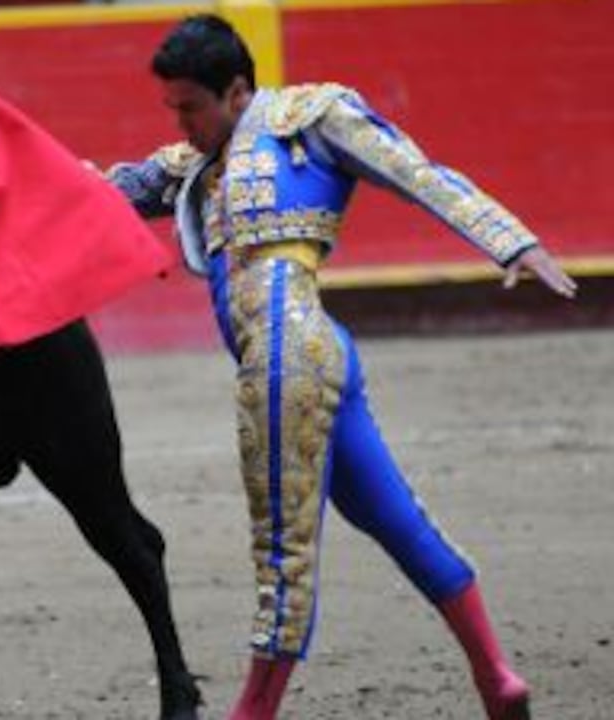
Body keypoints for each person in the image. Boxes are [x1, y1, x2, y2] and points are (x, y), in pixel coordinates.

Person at [101, 13, 576, 720]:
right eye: (172, 110)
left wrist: (511, 243)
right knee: (393, 519)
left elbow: (415, 171)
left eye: (190, 108)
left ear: (236, 92)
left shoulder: (310, 117)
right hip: (314, 356)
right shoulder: (192, 166)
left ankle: (251, 715)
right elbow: (105, 194)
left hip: (285, 360)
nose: (182, 125)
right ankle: (497, 677)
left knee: (282, 553)